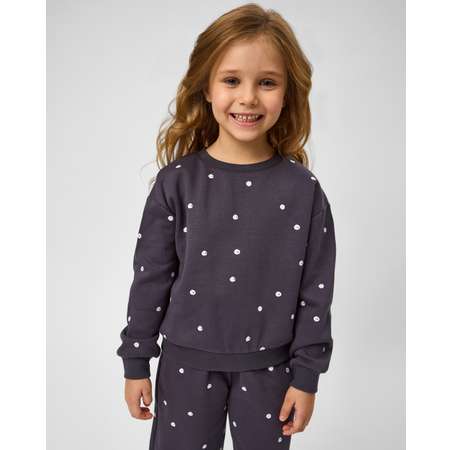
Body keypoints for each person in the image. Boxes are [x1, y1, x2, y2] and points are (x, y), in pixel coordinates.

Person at [116, 3, 337, 449]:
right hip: (185, 367)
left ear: (288, 93)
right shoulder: (177, 183)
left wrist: (306, 376)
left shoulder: (303, 191)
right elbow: (151, 276)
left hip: (271, 371)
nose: (248, 98)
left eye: (267, 82)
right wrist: (137, 360)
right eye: (232, 80)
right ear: (206, 87)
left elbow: (315, 290)